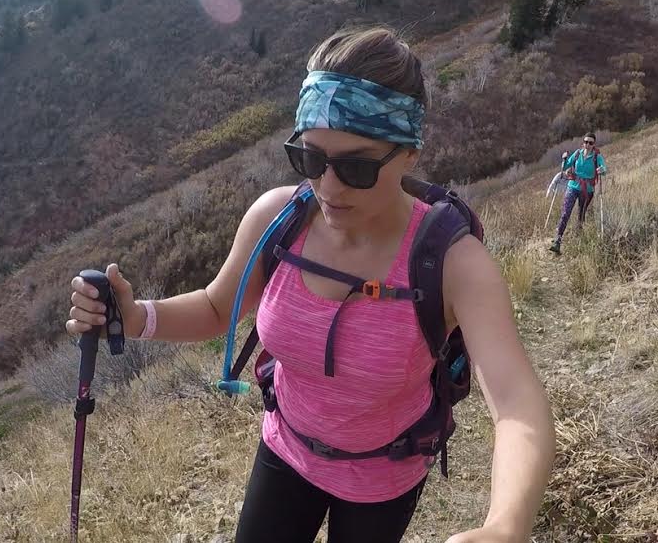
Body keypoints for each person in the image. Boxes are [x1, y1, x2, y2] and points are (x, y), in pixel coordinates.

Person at [66, 27, 555, 543]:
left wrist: (508, 526)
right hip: (285, 449)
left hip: (382, 477)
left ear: (410, 152)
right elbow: (216, 309)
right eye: (311, 159)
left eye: (357, 166)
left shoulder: (452, 262)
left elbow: (517, 404)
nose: (329, 186)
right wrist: (137, 315)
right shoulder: (279, 219)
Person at [548, 133, 607, 255]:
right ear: (583, 142)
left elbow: (604, 169)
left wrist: (601, 170)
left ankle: (578, 242)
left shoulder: (597, 157)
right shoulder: (577, 154)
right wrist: (564, 159)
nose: (587, 145)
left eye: (590, 143)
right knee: (565, 212)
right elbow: (566, 166)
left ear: (594, 144)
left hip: (588, 190)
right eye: (586, 142)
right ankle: (557, 240)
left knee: (581, 216)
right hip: (573, 186)